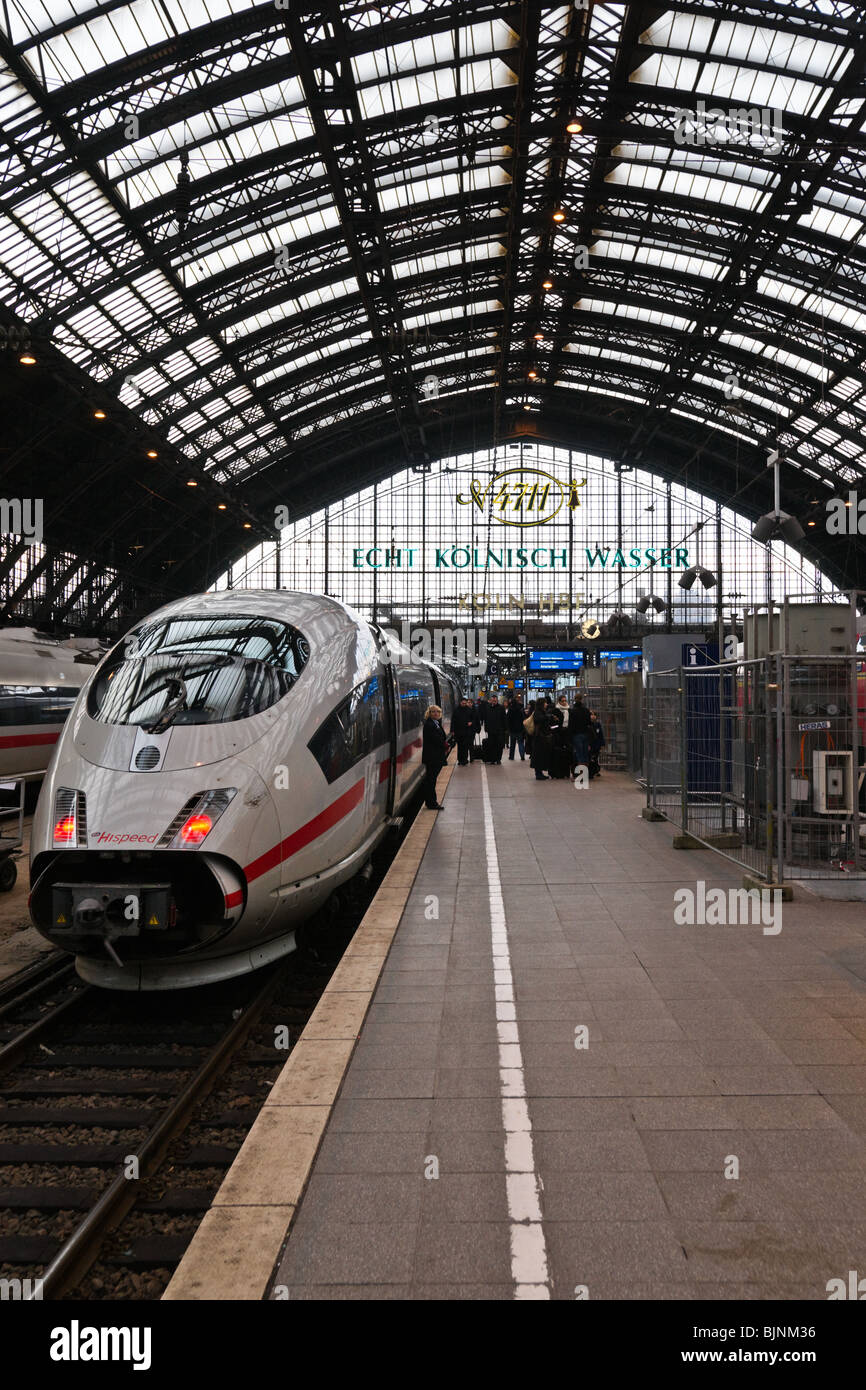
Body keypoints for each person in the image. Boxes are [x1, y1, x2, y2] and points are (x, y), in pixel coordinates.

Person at [422, 704, 449, 809]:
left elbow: (440, 738)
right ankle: (431, 803)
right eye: (433, 711)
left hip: (435, 756)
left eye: (438, 712)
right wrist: (445, 745)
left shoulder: (436, 723)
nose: (436, 713)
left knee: (432, 780)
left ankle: (431, 801)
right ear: (429, 713)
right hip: (432, 757)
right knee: (431, 780)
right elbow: (436, 740)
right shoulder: (429, 725)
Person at [530, 701, 554, 780]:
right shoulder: (537, 712)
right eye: (545, 703)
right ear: (541, 704)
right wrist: (548, 716)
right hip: (539, 737)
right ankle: (538, 773)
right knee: (538, 755)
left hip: (541, 737)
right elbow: (539, 719)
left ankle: (540, 772)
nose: (546, 704)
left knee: (540, 755)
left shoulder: (541, 712)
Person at [569, 693, 592, 771]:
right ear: (582, 699)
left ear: (575, 700)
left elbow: (571, 725)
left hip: (576, 735)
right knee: (585, 754)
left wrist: (570, 736)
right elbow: (589, 722)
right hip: (585, 734)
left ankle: (581, 774)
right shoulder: (586, 710)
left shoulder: (572, 711)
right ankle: (586, 773)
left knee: (579, 755)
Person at [451, 697, 476, 767]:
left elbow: (474, 719)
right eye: (463, 703)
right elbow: (453, 721)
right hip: (458, 731)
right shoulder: (456, 710)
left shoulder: (469, 710)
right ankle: (460, 760)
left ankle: (464, 760)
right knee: (460, 747)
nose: (464, 704)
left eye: (465, 703)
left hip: (466, 731)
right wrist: (452, 730)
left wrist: (471, 722)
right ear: (460, 703)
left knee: (465, 747)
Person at [485, 695, 507, 764]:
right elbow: (486, 719)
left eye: (495, 700)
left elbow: (504, 719)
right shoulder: (488, 708)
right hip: (491, 731)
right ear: (491, 700)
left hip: (499, 730)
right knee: (491, 745)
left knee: (499, 745)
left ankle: (498, 759)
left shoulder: (501, 708)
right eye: (492, 700)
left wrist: (505, 729)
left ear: (497, 700)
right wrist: (486, 728)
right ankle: (492, 759)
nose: (493, 702)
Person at [587, 710, 606, 779]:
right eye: (591, 715)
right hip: (590, 744)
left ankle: (596, 770)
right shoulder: (588, 724)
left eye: (594, 715)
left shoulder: (598, 724)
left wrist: (602, 744)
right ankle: (591, 771)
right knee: (590, 758)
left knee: (595, 757)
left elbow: (601, 734)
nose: (593, 716)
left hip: (596, 744)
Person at [507, 694, 526, 760]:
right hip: (520, 729)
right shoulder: (520, 710)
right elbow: (523, 719)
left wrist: (508, 728)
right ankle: (522, 756)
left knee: (512, 744)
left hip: (512, 729)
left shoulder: (510, 710)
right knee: (520, 743)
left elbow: (508, 719)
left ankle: (511, 757)